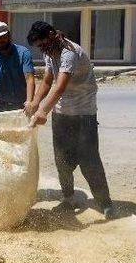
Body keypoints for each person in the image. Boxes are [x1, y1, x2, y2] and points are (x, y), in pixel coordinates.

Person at [24, 21, 114, 219]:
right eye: (39, 47)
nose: (42, 49)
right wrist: (35, 103)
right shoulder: (50, 53)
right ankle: (69, 199)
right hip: (62, 113)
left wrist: (43, 111)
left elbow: (60, 86)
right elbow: (48, 80)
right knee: (62, 160)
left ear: (51, 35)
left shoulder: (69, 52)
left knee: (89, 161)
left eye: (42, 44)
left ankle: (105, 202)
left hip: (83, 113)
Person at [0, 21, 35, 118]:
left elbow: (29, 79)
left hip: (23, 108)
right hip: (1, 109)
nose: (0, 41)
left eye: (2, 37)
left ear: (9, 35)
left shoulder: (23, 53)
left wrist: (29, 101)